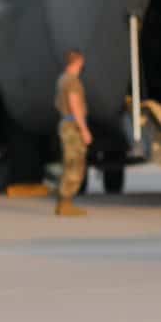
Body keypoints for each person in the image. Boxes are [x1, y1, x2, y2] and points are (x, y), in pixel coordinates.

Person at [54, 50, 92, 217]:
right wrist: (84, 130)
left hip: (65, 123)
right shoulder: (72, 81)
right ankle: (66, 203)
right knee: (75, 164)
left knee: (70, 163)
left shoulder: (62, 79)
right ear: (78, 62)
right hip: (72, 126)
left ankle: (64, 202)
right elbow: (75, 105)